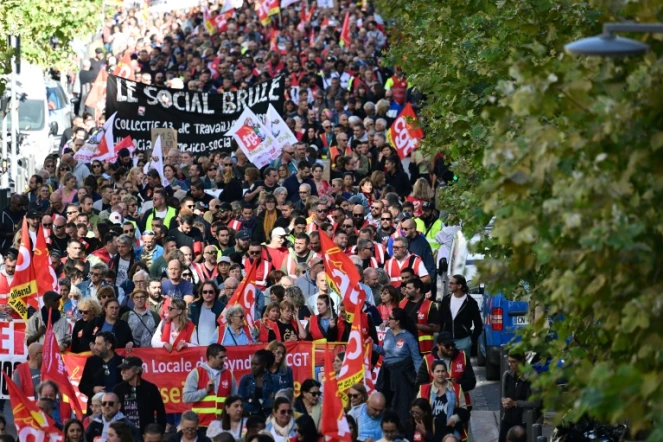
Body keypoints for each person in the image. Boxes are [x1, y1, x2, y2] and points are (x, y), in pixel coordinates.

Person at [372, 308, 421, 425]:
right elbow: (385, 352)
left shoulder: (408, 337)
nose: (387, 320)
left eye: (390, 318)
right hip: (387, 375)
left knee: (401, 406)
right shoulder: (388, 333)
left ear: (398, 321)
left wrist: (420, 379)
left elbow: (416, 359)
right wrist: (372, 346)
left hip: (401, 377)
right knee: (386, 404)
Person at [416, 332, 476, 410]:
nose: (451, 348)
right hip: (434, 406)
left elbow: (471, 382)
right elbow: (419, 385)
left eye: (453, 345)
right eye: (447, 346)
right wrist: (438, 384)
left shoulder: (463, 356)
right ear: (438, 346)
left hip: (460, 405)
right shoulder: (427, 360)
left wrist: (454, 384)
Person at [183, 344, 237, 428]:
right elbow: (186, 398)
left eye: (225, 357)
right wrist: (205, 391)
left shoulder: (229, 374)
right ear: (211, 357)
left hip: (222, 425)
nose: (224, 360)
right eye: (221, 357)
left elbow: (235, 400)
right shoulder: (196, 373)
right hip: (201, 425)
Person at [113, 356, 167, 435]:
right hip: (124, 435)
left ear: (137, 370)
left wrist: (159, 433)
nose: (122, 372)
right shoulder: (118, 389)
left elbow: (161, 413)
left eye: (126, 369)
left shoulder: (150, 388)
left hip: (146, 435)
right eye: (122, 369)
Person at [417, 361, 469, 442]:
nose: (440, 374)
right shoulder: (423, 389)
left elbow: (464, 410)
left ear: (446, 372)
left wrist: (455, 418)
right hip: (431, 433)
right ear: (432, 373)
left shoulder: (457, 388)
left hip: (451, 434)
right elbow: (417, 411)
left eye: (443, 371)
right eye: (437, 371)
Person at [79, 332, 123, 414]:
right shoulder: (91, 361)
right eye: (95, 343)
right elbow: (82, 386)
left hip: (118, 411)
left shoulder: (121, 362)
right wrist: (93, 389)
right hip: (97, 411)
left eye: (99, 344)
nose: (95, 347)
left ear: (109, 346)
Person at [499, 352, 539, 442]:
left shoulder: (532, 377)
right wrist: (505, 401)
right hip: (507, 418)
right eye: (509, 362)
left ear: (522, 361)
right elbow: (503, 396)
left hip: (522, 420)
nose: (511, 365)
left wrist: (515, 403)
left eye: (514, 362)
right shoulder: (507, 375)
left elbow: (536, 402)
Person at [438, 275, 482, 354]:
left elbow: (478, 324)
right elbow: (440, 319)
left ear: (459, 286)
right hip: (446, 341)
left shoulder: (471, 302)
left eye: (451, 283)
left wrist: (471, 341)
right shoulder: (446, 300)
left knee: (462, 365)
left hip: (463, 341)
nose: (449, 285)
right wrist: (441, 336)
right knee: (446, 365)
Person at [400, 278, 439, 354]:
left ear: (418, 290)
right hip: (403, 347)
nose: (406, 290)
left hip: (422, 349)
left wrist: (414, 326)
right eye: (406, 288)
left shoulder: (430, 305)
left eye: (409, 288)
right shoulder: (401, 303)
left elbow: (437, 328)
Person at [239, 349, 276, 417]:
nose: (253, 367)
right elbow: (241, 401)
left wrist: (253, 401)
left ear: (264, 365)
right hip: (250, 417)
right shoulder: (246, 379)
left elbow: (275, 402)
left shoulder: (273, 379)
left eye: (256, 364)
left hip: (268, 417)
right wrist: (257, 406)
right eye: (251, 364)